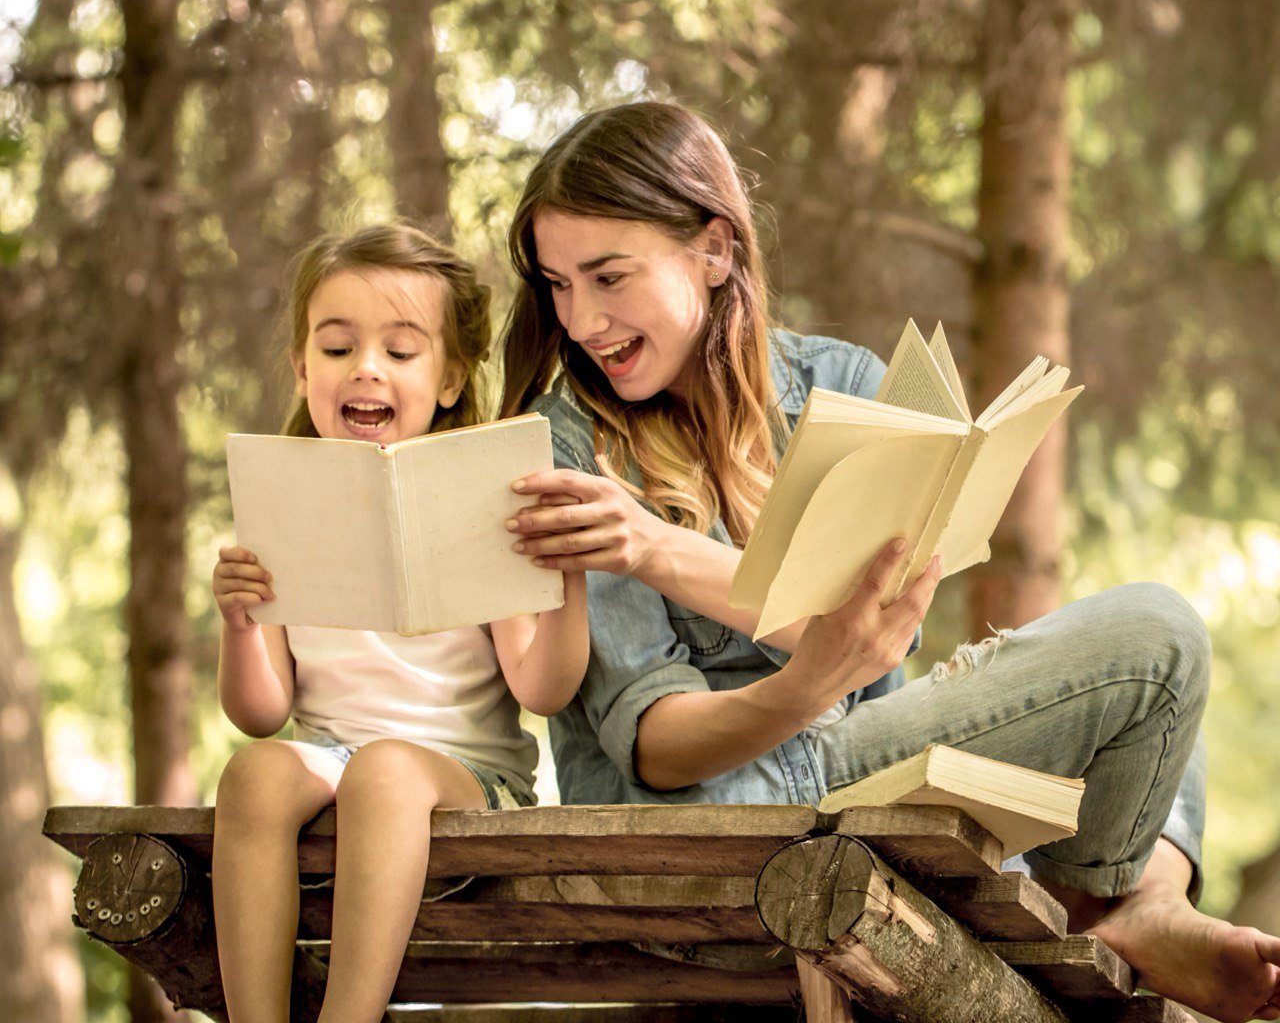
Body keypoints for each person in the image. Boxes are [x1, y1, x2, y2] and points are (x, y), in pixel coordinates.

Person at [498, 100, 1280, 1023]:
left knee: (1138, 696)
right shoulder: (567, 444)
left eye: (608, 276)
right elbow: (658, 751)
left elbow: (873, 657)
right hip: (723, 820)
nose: (583, 319)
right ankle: (1125, 908)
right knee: (1155, 640)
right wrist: (802, 679)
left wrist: (665, 551)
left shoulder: (844, 386)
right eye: (558, 285)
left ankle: (1138, 904)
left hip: (862, 780)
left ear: (714, 250)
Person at [211, 222, 588, 1023]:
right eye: (338, 348)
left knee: (385, 769)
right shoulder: (281, 506)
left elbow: (543, 688)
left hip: (468, 779)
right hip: (332, 761)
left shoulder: (488, 501)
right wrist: (242, 623)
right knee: (254, 773)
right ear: (301, 366)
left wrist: (568, 580)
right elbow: (261, 713)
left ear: (451, 376)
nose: (366, 369)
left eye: (401, 351)